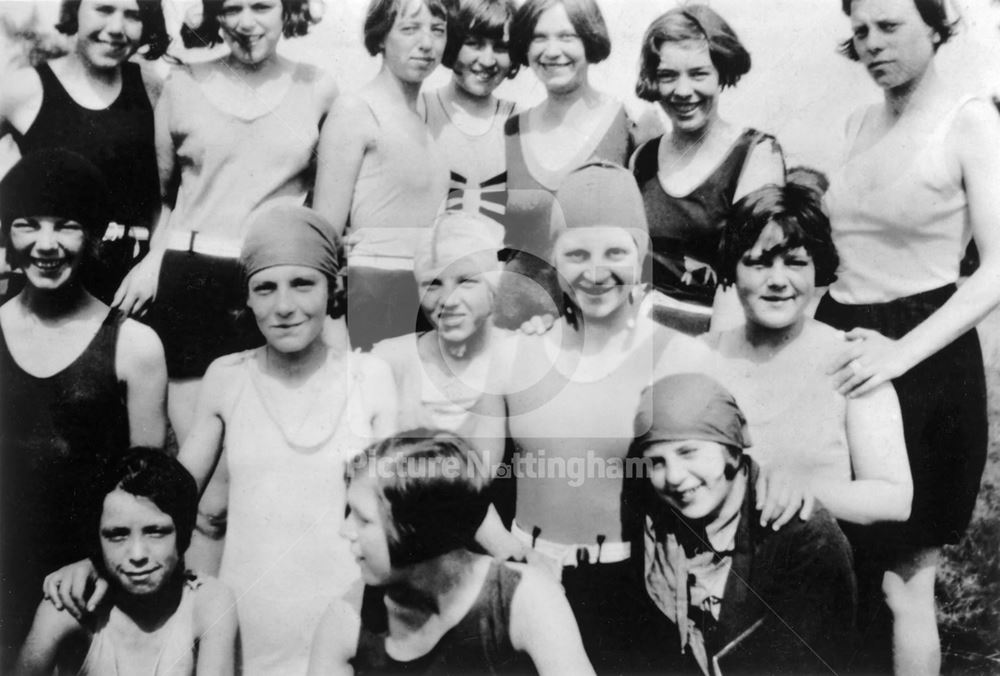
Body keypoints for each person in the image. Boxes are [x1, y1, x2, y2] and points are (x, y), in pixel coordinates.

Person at [44, 205, 397, 676]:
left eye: (303, 284)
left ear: (334, 287)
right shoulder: (228, 377)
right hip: (249, 622)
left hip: (351, 614)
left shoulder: (371, 377)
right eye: (265, 288)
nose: (284, 305)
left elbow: (404, 510)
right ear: (247, 298)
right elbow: (166, 493)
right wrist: (96, 560)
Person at [117, 0, 338, 572]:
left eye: (260, 5)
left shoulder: (319, 88)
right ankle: (202, 620)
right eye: (231, 6)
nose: (245, 21)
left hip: (272, 288)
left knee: (275, 473)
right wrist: (153, 261)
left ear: (287, 10)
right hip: (192, 285)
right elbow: (168, 195)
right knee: (209, 490)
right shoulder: (182, 85)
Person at [817, 1, 1000, 672]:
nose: (871, 44)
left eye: (889, 25)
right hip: (840, 343)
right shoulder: (856, 123)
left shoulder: (971, 120)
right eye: (860, 30)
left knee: (905, 579)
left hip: (923, 352)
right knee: (840, 561)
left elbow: (997, 270)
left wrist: (899, 355)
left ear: (935, 25)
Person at [501, 161, 711, 673]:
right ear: (554, 258)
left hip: (631, 589)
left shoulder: (677, 354)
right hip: (524, 579)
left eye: (616, 252)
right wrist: (509, 558)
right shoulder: (520, 350)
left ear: (640, 254)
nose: (596, 272)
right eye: (577, 253)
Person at [0, 149, 167, 662]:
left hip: (87, 586)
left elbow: (147, 490)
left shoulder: (135, 345)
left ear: (92, 235)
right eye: (28, 225)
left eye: (67, 227)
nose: (46, 245)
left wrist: (96, 563)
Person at [704, 182, 912, 526]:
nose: (778, 280)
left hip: (811, 563)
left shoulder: (850, 361)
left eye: (796, 263)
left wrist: (805, 487)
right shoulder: (701, 356)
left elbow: (895, 498)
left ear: (817, 268)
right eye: (758, 263)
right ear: (732, 269)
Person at [308, 430, 596, 676]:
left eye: (363, 519)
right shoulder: (347, 619)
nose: (345, 531)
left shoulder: (523, 598)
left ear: (418, 530)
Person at [631, 373, 857, 675]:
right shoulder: (658, 526)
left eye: (688, 452)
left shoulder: (804, 539)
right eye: (656, 462)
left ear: (733, 448)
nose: (673, 476)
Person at [0, 0, 169, 303]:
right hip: (45, 281)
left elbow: (169, 197)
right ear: (74, 11)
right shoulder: (25, 89)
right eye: (103, 9)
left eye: (133, 15)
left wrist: (154, 263)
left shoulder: (151, 89)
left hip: (129, 289)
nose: (116, 28)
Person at [631, 5, 785, 335]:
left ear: (722, 74)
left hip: (719, 335)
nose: (683, 91)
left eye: (699, 73)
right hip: (642, 334)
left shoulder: (755, 154)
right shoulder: (642, 158)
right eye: (668, 75)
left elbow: (752, 275)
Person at [16, 448, 238, 676]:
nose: (138, 555)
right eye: (117, 535)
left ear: (183, 534)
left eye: (156, 532)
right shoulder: (70, 605)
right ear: (97, 540)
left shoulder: (207, 601)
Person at [314, 0, 451, 351]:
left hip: (426, 291)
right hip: (374, 290)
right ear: (380, 37)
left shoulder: (427, 117)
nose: (427, 43)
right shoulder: (355, 110)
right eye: (409, 29)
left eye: (438, 30)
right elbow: (323, 235)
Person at [495, 0, 639, 328]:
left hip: (594, 321)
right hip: (517, 320)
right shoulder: (512, 130)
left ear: (590, 39)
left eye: (566, 36)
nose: (552, 50)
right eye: (539, 37)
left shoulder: (626, 125)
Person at [371, 211, 508, 451]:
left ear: (493, 287)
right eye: (432, 284)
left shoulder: (520, 354)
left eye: (466, 281)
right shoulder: (390, 359)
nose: (448, 300)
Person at [421, 0, 518, 226]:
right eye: (473, 44)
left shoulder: (520, 124)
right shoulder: (421, 112)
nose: (487, 60)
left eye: (501, 47)